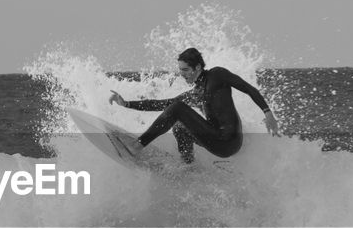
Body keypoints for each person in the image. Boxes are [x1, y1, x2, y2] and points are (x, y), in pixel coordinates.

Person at [110, 47, 278, 163]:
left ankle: (137, 146)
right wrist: (125, 103)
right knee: (179, 126)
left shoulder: (217, 75)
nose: (181, 74)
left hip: (228, 141)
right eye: (180, 70)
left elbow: (248, 89)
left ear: (197, 67)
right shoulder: (197, 91)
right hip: (216, 139)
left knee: (177, 108)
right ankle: (188, 164)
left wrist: (268, 113)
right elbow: (162, 104)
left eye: (185, 70)